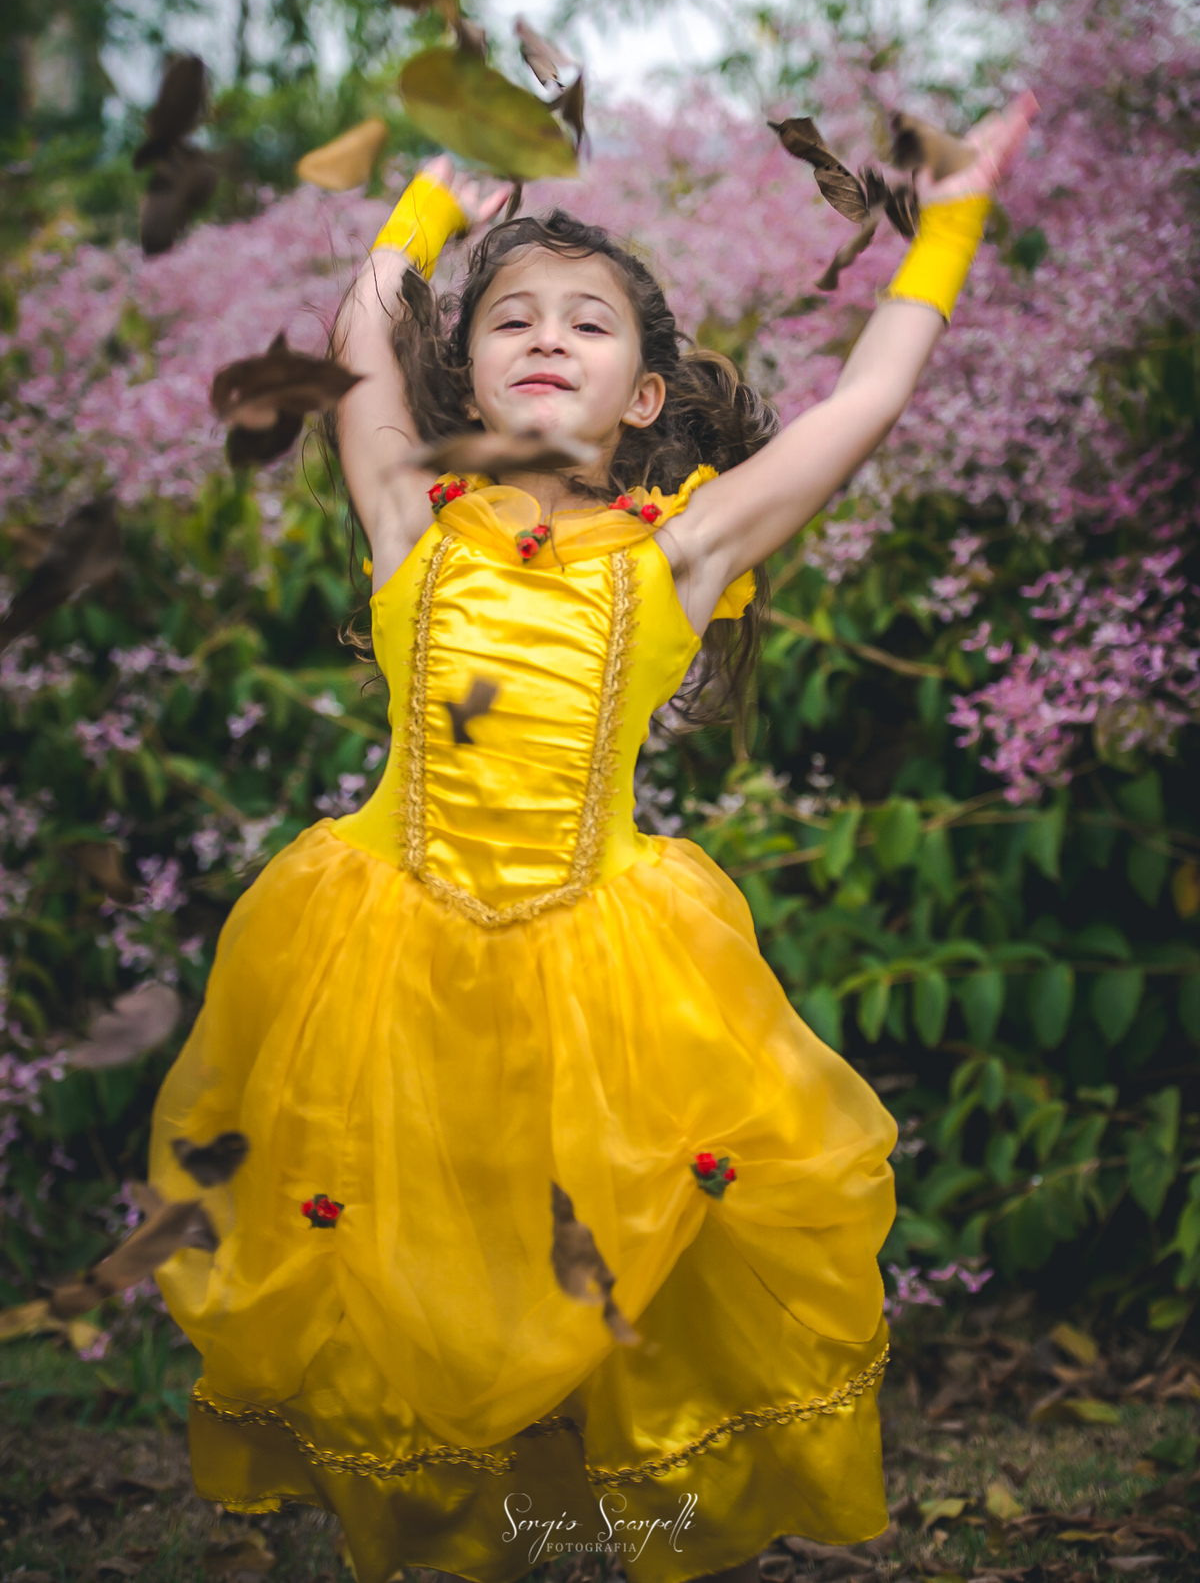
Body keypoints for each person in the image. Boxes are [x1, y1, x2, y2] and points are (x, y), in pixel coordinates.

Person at [149, 91, 1037, 1583]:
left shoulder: (682, 550)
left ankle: (574, 1521)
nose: (546, 336)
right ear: (463, 374)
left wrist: (947, 226)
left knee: (599, 1263)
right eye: (510, 320)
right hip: (386, 962)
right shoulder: (411, 520)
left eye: (587, 322)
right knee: (418, 1262)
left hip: (604, 977)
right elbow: (361, 337)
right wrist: (434, 202)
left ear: (643, 394)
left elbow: (863, 403)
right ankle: (450, 1535)